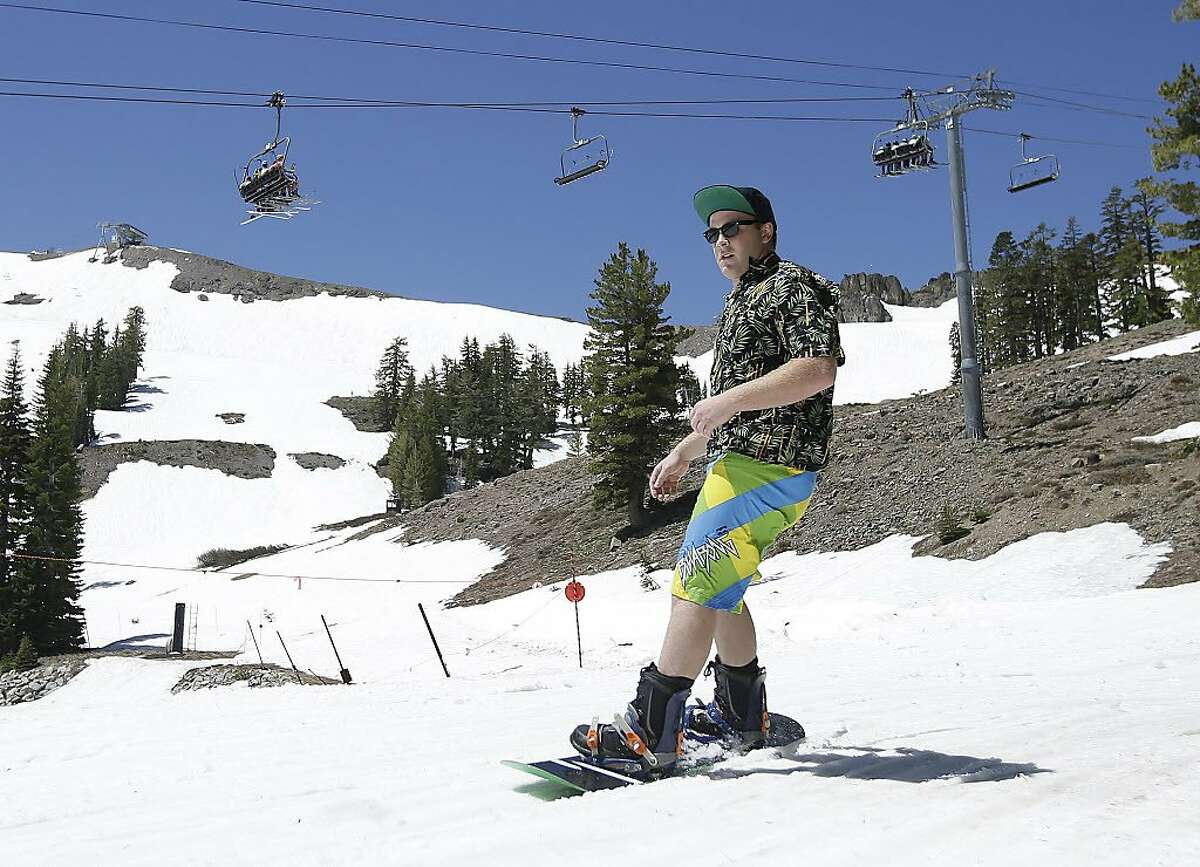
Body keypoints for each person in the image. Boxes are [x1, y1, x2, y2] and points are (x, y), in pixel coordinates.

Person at [569, 185, 846, 772]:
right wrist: (685, 451)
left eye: (733, 228)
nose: (720, 241)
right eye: (712, 234)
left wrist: (722, 407)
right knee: (723, 589)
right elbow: (738, 407)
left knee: (694, 582)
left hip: (765, 466)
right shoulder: (746, 299)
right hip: (748, 462)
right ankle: (744, 715)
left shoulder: (794, 287)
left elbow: (815, 370)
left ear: (765, 231)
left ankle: (652, 731)